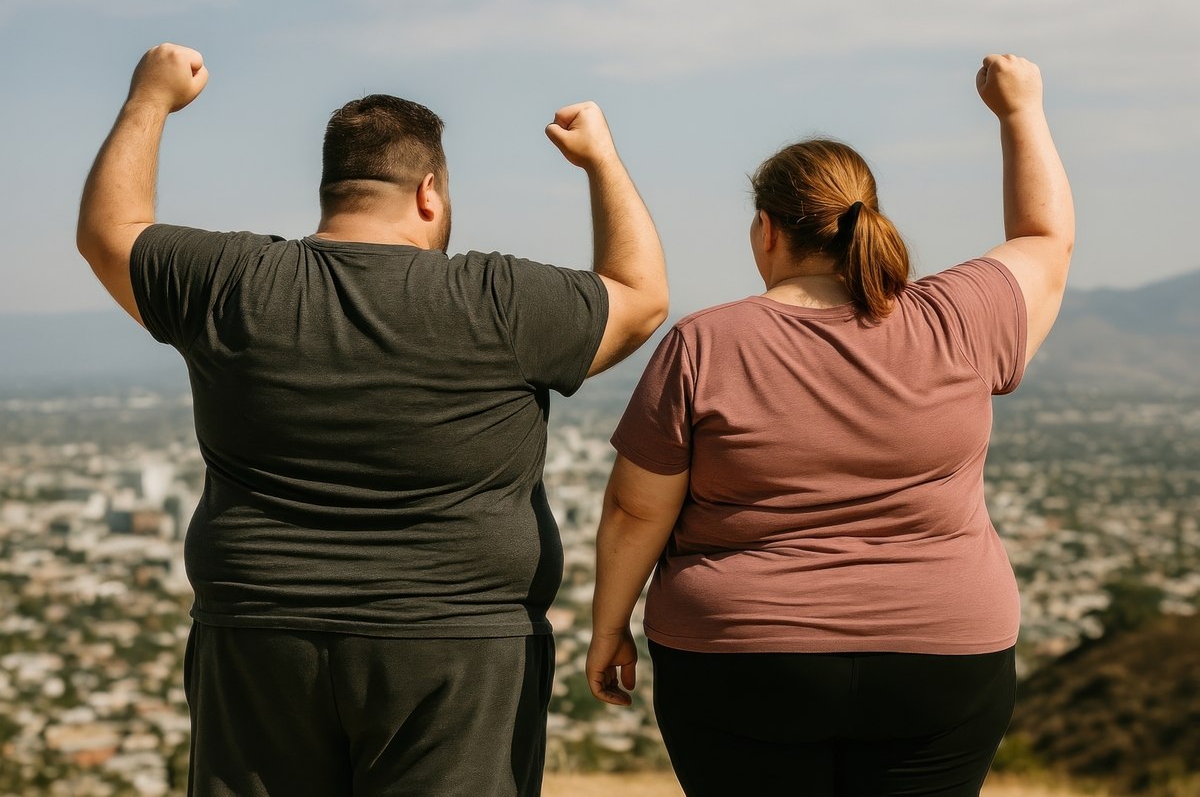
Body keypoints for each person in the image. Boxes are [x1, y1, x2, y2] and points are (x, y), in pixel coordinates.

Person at [76, 43, 667, 797]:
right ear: (429, 192)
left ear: (332, 189)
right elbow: (640, 293)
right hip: (457, 653)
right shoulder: (498, 300)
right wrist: (601, 161)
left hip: (259, 639)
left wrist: (148, 99)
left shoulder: (231, 285)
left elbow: (107, 233)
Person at [586, 54, 1072, 796]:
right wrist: (1020, 110)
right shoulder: (960, 319)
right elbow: (1046, 239)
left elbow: (634, 509)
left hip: (741, 658)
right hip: (941, 656)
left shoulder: (707, 342)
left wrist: (608, 627)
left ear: (767, 230)